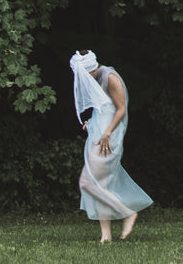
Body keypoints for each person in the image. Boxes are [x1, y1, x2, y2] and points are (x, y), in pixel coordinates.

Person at [70, 49, 153, 242]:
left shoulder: (111, 77)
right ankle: (106, 236)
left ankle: (127, 213)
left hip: (109, 138)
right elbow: (103, 109)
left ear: (91, 69)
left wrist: (107, 133)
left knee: (88, 183)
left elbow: (121, 109)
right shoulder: (95, 79)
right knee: (99, 184)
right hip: (98, 134)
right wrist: (91, 122)